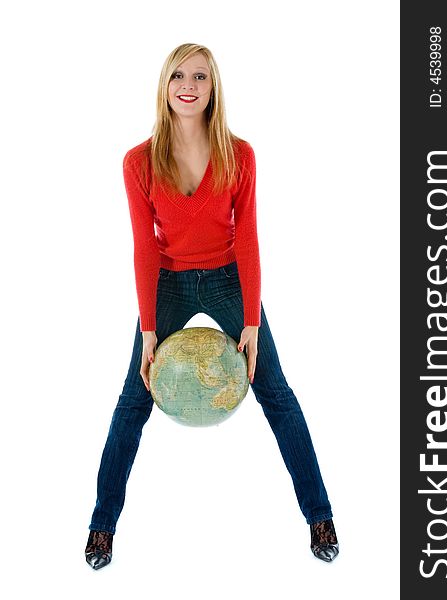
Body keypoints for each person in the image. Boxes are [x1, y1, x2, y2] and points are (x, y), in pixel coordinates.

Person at [85, 42, 339, 570]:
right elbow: (144, 247)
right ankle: (101, 529)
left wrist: (250, 319)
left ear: (212, 88)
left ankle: (320, 517)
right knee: (133, 404)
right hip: (170, 284)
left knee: (277, 394)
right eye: (179, 75)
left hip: (228, 280)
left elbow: (247, 239)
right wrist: (149, 329)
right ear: (164, 85)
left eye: (200, 76)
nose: (189, 85)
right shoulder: (138, 161)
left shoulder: (239, 154)